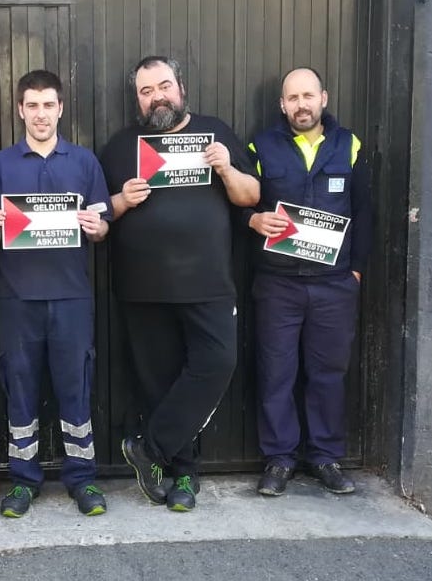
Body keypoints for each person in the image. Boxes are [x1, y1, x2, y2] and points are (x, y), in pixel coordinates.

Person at [99, 55, 259, 512]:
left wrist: (226, 168)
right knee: (160, 384)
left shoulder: (215, 133)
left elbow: (251, 195)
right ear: (137, 99)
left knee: (218, 362)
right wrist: (121, 200)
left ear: (181, 88)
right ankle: (183, 474)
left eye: (164, 86)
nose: (157, 97)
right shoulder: (120, 146)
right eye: (146, 91)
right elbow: (95, 214)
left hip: (208, 283)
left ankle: (149, 450)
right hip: (143, 288)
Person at [0, 69, 112, 518]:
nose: (40, 114)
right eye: (32, 105)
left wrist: (97, 227)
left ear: (60, 108)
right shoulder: (0, 165)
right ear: (20, 110)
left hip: (72, 297)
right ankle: (23, 480)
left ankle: (82, 478)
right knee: (20, 390)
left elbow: (102, 225)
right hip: (18, 298)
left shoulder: (84, 162)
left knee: (75, 388)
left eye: (48, 105)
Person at [247, 67, 372, 496]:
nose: (301, 105)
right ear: (282, 105)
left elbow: (364, 211)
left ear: (323, 98)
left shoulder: (349, 145)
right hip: (277, 284)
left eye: (308, 96)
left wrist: (355, 270)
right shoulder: (260, 146)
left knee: (328, 375)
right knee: (276, 374)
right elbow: (240, 201)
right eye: (293, 98)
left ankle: (325, 457)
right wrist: (251, 219)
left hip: (334, 284)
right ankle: (279, 459)